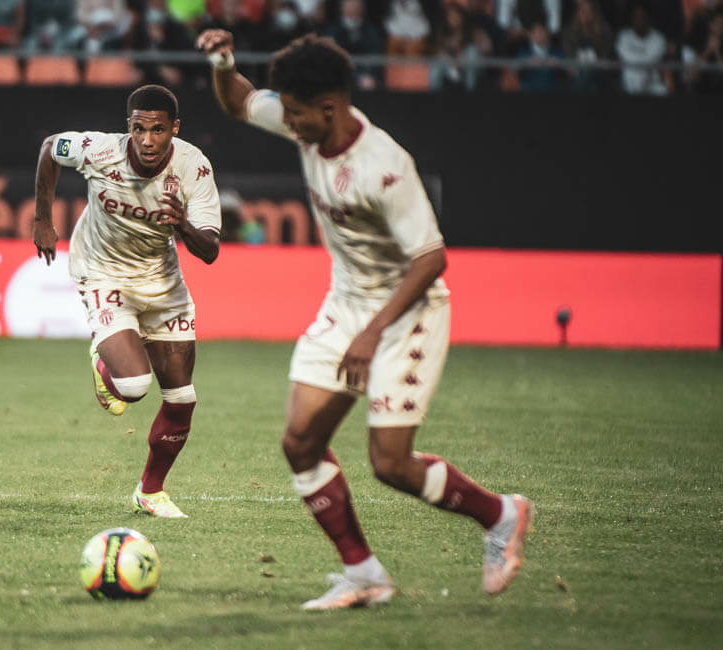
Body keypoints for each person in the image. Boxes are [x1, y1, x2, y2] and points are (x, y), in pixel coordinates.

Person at [195, 29, 533, 609]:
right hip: (347, 303)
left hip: (408, 312)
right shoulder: (305, 120)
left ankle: (501, 514)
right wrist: (223, 61)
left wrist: (374, 334)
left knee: (391, 464)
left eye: (296, 113)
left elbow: (431, 258)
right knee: (301, 442)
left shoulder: (385, 166)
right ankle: (364, 574)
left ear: (330, 108)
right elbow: (239, 101)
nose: (287, 122)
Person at [32, 84, 222, 519]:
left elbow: (210, 250)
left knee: (182, 398)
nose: (148, 140)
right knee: (135, 388)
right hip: (103, 272)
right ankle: (104, 363)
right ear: (128, 127)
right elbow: (49, 148)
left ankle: (150, 492)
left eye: (158, 130)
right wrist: (43, 217)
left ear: (175, 128)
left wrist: (183, 226)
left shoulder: (194, 167)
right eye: (139, 129)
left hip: (162, 282)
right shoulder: (98, 150)